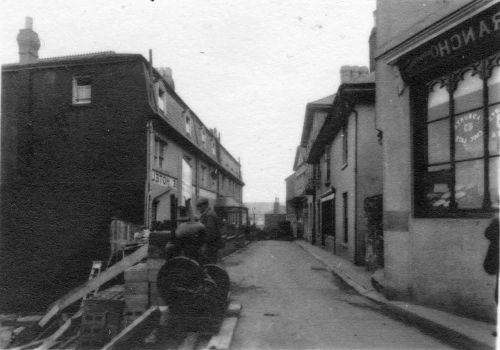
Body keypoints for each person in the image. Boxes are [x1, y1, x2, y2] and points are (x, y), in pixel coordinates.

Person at [196, 197, 222, 264]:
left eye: (199, 206)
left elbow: (210, 233)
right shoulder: (208, 214)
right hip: (211, 246)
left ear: (205, 205)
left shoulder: (209, 215)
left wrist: (204, 245)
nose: (198, 208)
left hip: (210, 247)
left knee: (209, 266)